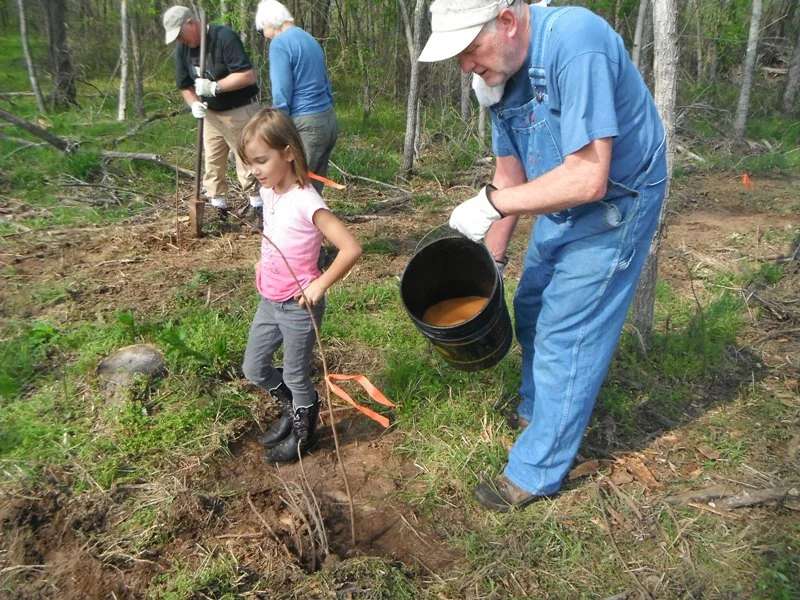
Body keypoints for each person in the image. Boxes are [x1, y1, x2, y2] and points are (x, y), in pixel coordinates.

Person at [419, 0, 668, 511]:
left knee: (566, 332)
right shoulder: (498, 78)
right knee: (530, 307)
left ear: (507, 22)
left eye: (469, 50)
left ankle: (536, 470)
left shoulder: (575, 44)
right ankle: (539, 409)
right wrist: (492, 263)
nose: (465, 66)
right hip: (564, 192)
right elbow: (511, 180)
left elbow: (587, 177)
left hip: (619, 195)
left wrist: (491, 203)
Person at [238, 108, 362, 463]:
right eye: (251, 163)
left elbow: (351, 248)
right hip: (269, 299)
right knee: (254, 366)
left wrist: (319, 285)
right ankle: (293, 409)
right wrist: (265, 259)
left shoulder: (308, 199)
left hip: (298, 305)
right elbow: (278, 232)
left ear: (288, 151)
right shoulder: (272, 191)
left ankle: (304, 434)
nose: (254, 170)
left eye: (261, 160)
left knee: (295, 372)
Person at [162, 5, 262, 222]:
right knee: (213, 162)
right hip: (210, 114)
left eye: (180, 34)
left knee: (247, 159)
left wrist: (216, 87)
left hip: (239, 110)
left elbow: (246, 75)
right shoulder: (183, 49)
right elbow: (184, 85)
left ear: (191, 23)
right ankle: (219, 208)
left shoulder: (224, 37)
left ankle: (259, 207)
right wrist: (193, 104)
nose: (180, 40)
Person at [254, 0, 338, 196]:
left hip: (305, 123)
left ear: (269, 23)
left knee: (293, 185)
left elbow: (281, 92)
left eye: (261, 31)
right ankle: (312, 225)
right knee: (313, 185)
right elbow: (326, 82)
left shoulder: (280, 43)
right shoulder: (309, 38)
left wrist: (277, 129)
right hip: (327, 120)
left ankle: (293, 226)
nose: (264, 37)